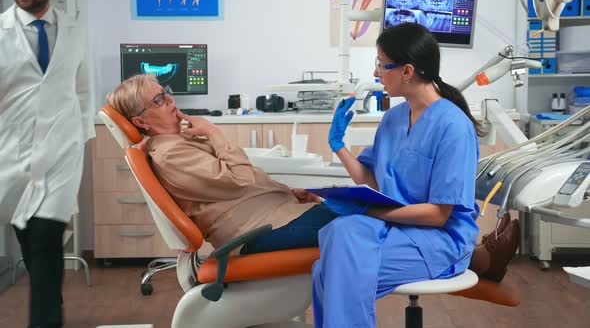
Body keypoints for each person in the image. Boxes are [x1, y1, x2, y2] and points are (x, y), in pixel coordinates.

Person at [106, 74, 519, 270]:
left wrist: (290, 194)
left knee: (365, 207)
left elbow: (242, 187)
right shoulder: (171, 153)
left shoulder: (181, 141)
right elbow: (239, 179)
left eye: (167, 93)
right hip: (256, 236)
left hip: (274, 217)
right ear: (141, 121)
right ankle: (479, 258)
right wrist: (215, 131)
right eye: (160, 99)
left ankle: (475, 255)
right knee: (365, 211)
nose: (171, 101)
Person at [311, 22, 517, 328]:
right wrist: (338, 146)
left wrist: (374, 210)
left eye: (382, 65)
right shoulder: (393, 118)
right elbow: (371, 181)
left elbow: (437, 215)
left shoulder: (452, 127)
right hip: (394, 227)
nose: (376, 73)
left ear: (407, 71)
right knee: (340, 233)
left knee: (334, 270)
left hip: (436, 238)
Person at [0, 0, 94, 327]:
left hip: (62, 152)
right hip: (11, 154)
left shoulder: (74, 30)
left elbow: (83, 91)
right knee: (30, 236)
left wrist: (78, 140)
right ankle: (49, 294)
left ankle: (46, 320)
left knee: (45, 235)